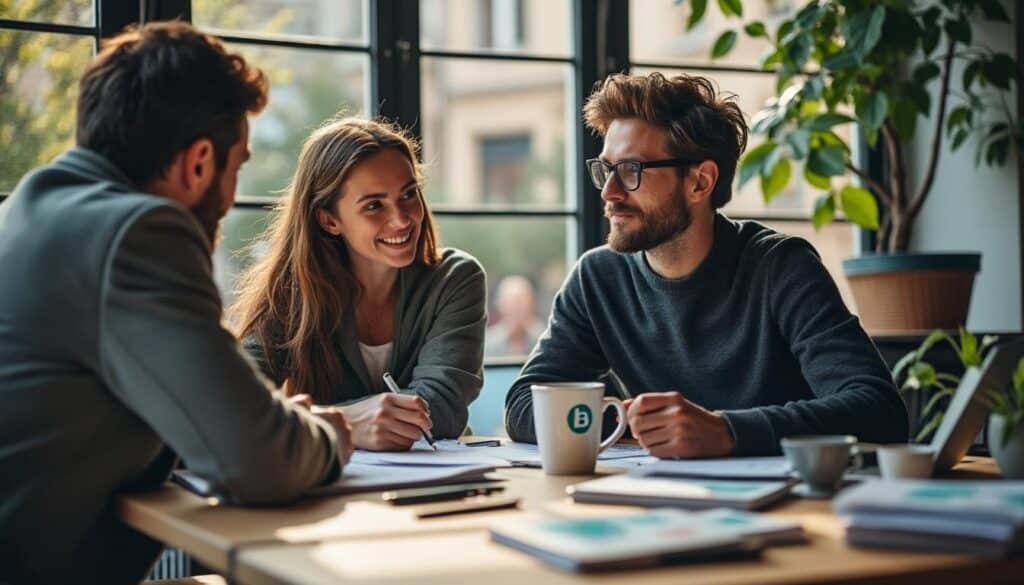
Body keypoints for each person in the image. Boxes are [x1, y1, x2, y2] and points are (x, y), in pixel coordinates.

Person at [0, 23, 353, 584]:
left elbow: (205, 417)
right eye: (235, 168)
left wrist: (268, 424)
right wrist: (329, 435)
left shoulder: (28, 209)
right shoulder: (138, 234)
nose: (232, 191)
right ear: (197, 164)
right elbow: (257, 461)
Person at [505, 72, 909, 458]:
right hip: (652, 507)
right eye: (606, 170)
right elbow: (523, 405)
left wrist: (726, 431)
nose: (609, 192)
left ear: (700, 182)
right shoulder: (598, 278)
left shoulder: (780, 267)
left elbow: (879, 411)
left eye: (630, 171)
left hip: (785, 511)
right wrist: (627, 420)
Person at [232, 116, 487, 452]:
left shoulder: (455, 279)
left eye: (409, 194)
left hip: (441, 479)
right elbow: (236, 406)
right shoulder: (290, 294)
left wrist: (321, 420)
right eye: (374, 206)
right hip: (338, 488)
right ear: (329, 220)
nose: (401, 218)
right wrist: (349, 420)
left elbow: (442, 407)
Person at [485, 275, 545, 357]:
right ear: (499, 305)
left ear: (532, 304)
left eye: (521, 302)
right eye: (512, 302)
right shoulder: (488, 343)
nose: (517, 308)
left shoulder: (544, 340)